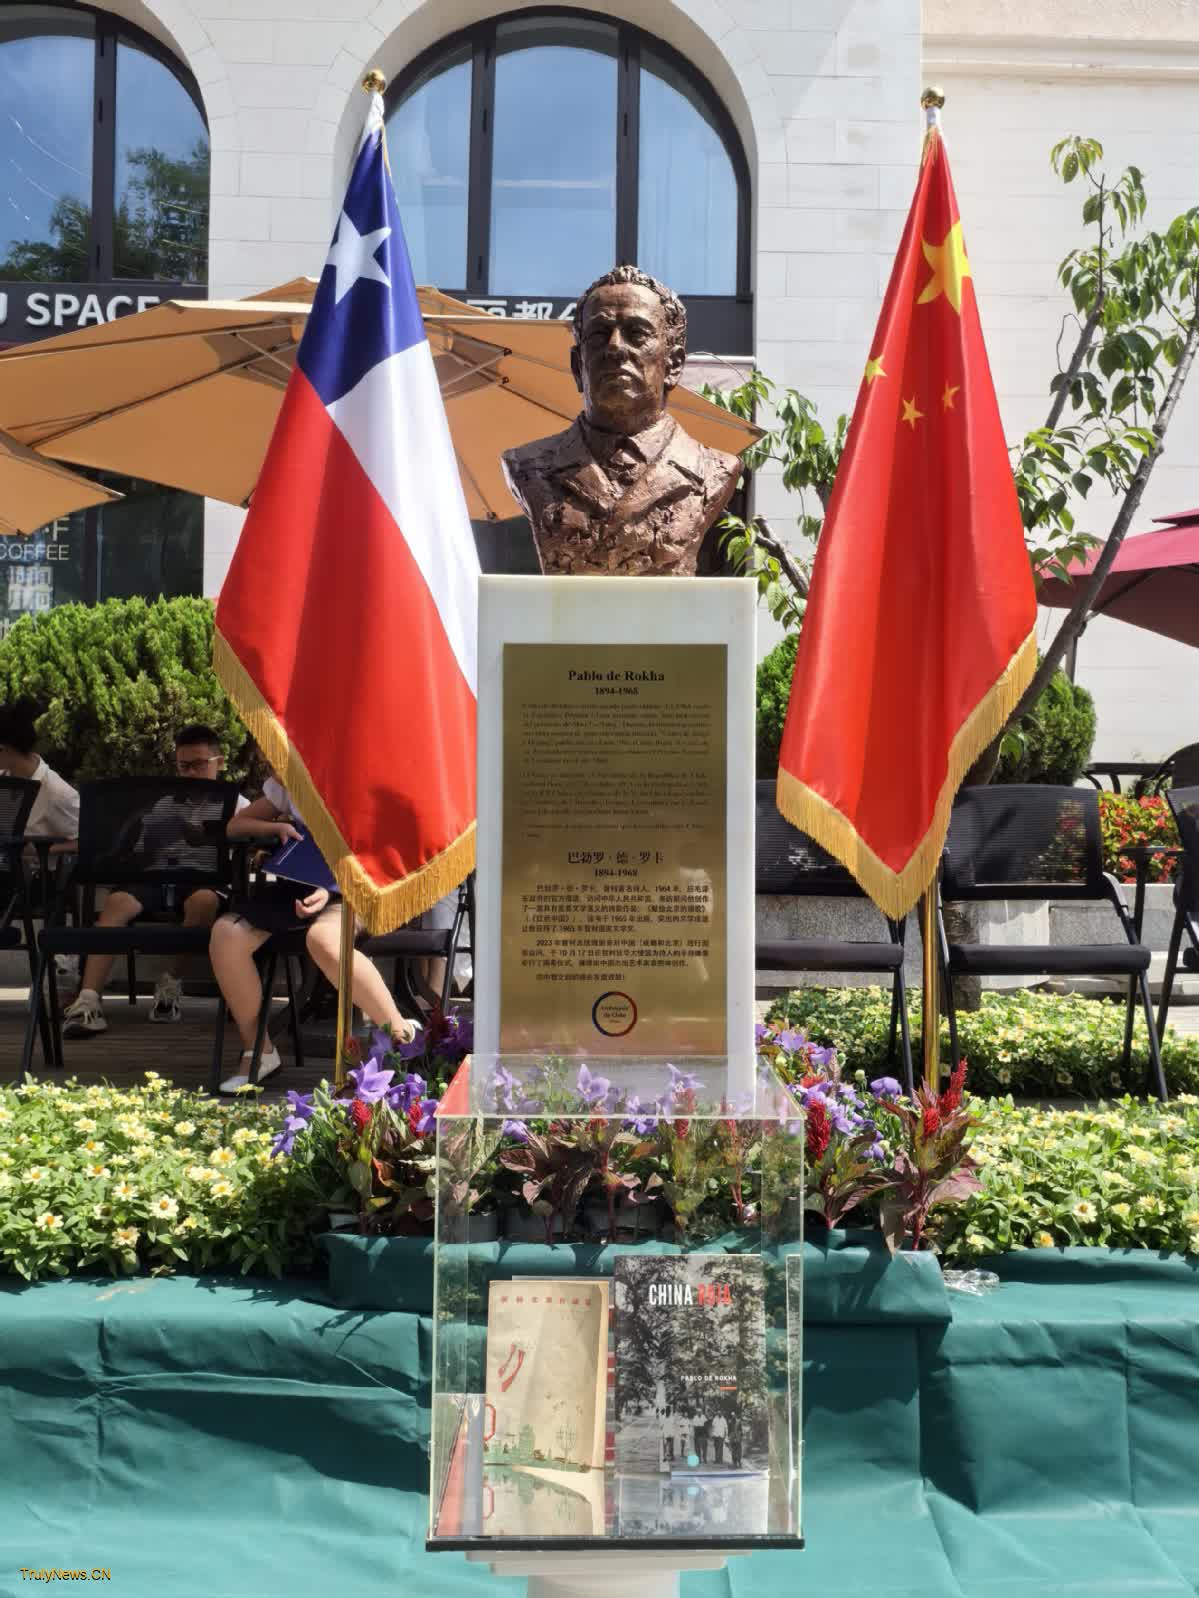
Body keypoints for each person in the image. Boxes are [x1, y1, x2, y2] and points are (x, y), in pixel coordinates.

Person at [501, 265, 741, 576]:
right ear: (578, 366)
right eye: (599, 335)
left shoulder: (711, 470)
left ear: (674, 365)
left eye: (637, 333)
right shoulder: (528, 466)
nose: (614, 347)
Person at [212, 772, 418, 1091]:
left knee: (323, 939)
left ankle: (403, 1037)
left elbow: (385, 845)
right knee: (226, 935)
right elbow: (235, 825)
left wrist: (329, 886)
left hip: (356, 886)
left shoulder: (369, 771)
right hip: (296, 886)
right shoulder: (295, 777)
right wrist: (276, 827)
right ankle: (259, 1052)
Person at [61, 725, 248, 1038]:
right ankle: (88, 1000)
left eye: (200, 764)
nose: (191, 773)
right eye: (183, 766)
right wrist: (158, 841)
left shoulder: (237, 805)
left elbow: (250, 844)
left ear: (220, 761)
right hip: (156, 878)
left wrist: (208, 837)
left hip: (203, 881)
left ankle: (170, 983)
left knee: (203, 902)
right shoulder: (164, 803)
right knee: (116, 902)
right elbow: (140, 854)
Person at [0, 700, 79, 845]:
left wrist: (34, 852)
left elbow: (86, 841)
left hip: (34, 867)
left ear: (3, 749)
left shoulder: (57, 793)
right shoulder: (5, 778)